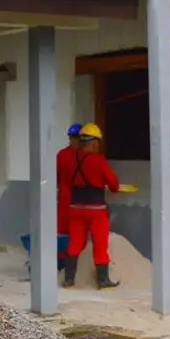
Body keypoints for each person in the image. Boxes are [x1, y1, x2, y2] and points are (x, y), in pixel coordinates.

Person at [63, 123, 121, 289]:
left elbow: (67, 182)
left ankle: (69, 279)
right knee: (100, 245)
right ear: (94, 143)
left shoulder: (71, 160)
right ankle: (103, 280)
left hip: (75, 209)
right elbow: (114, 185)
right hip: (96, 211)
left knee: (74, 244)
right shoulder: (99, 161)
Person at [55, 123, 82, 254]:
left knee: (76, 234)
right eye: (73, 137)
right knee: (65, 233)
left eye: (76, 137)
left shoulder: (84, 155)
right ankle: (64, 260)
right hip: (68, 201)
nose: (74, 140)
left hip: (78, 201)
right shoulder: (63, 155)